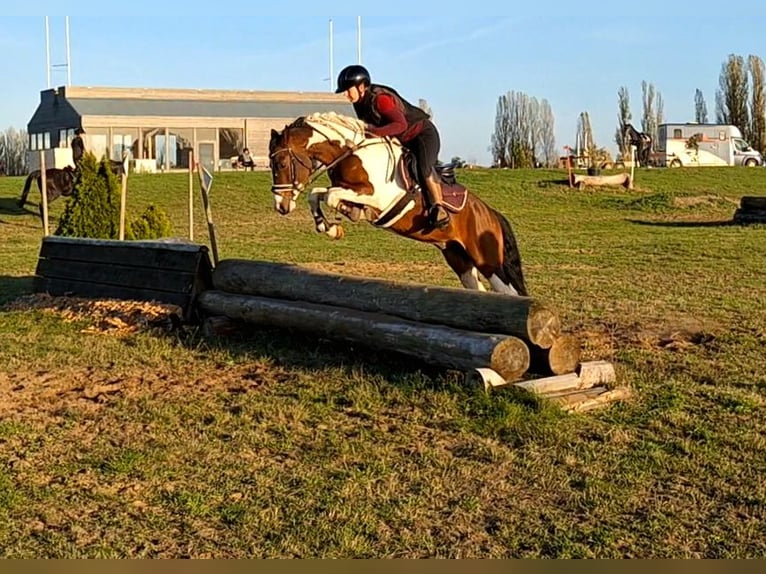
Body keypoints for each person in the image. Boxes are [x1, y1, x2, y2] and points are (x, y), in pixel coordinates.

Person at [335, 64, 450, 228]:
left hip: (422, 135)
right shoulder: (359, 102)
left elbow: (400, 125)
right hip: (403, 139)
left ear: (361, 86)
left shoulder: (381, 99)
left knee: (423, 167)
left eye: (348, 89)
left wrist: (374, 132)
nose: (346, 94)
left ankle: (439, 207)